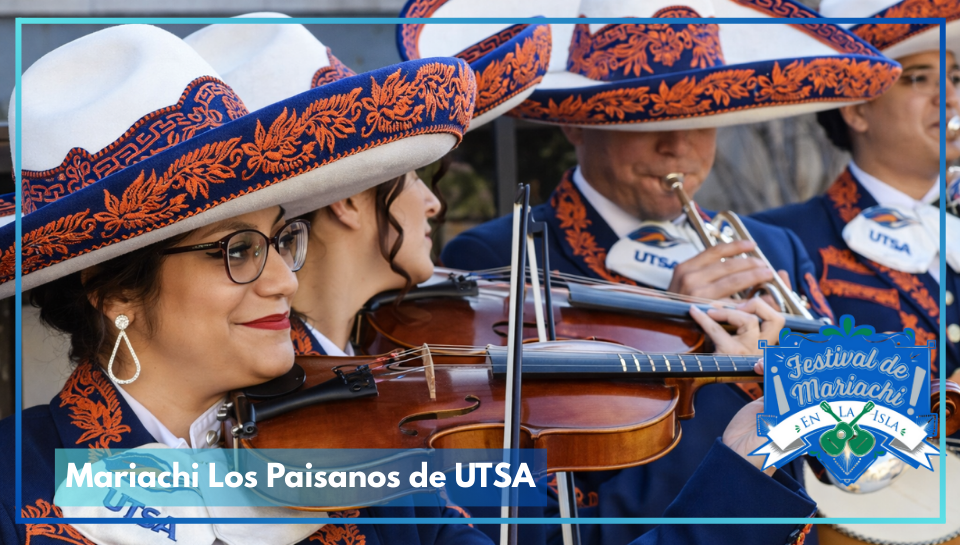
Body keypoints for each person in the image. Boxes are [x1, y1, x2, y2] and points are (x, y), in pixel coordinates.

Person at [439, 1, 904, 543]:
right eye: (647, 115)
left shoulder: (775, 247)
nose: (678, 145)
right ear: (574, 122)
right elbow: (517, 514)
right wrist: (681, 355)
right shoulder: (498, 256)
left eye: (701, 114)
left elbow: (858, 450)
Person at [0, 23, 481, 545]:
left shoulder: (364, 453)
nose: (283, 281)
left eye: (279, 241)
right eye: (237, 250)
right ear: (116, 290)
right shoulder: (13, 487)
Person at [753, 0, 960, 383]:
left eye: (956, 78)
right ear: (857, 110)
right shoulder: (776, 243)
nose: (948, 97)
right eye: (918, 78)